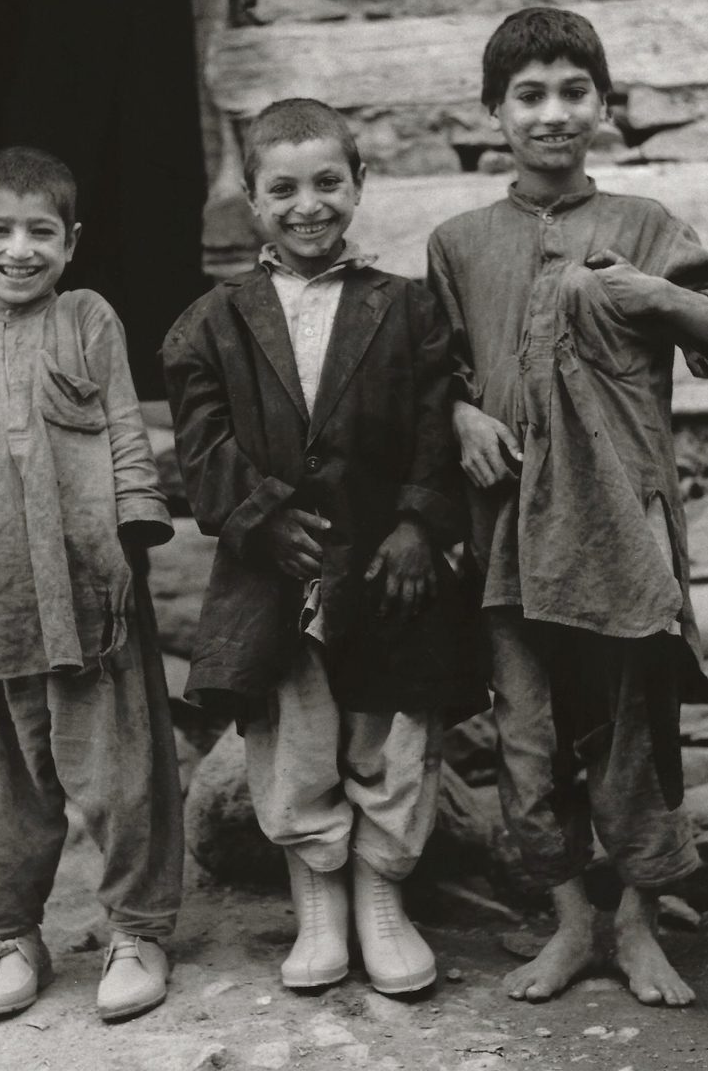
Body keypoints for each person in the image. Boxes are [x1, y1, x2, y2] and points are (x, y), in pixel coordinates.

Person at [163, 98, 486, 996]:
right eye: (284, 189)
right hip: (278, 571)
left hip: (389, 565)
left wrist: (422, 523)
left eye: (327, 183)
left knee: (390, 731)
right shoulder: (211, 324)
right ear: (252, 204)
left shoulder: (408, 309)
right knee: (294, 739)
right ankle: (319, 911)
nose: (308, 205)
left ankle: (384, 902)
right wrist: (261, 515)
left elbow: (433, 422)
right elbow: (200, 446)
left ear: (358, 185)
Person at [427, 6, 708, 1008]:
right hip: (508, 526)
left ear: (604, 104)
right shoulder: (458, 243)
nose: (553, 114)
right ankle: (571, 920)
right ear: (494, 112)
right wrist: (461, 411)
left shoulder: (646, 227)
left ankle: (637, 925)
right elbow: (439, 370)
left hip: (622, 520)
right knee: (528, 735)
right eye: (530, 95)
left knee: (634, 723)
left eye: (573, 91)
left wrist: (652, 295)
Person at [0, 147, 184, 1022]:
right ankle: (11, 936)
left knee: (120, 772)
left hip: (89, 590)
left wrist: (131, 537)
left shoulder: (88, 318)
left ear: (70, 243)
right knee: (4, 785)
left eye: (40, 233)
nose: (18, 250)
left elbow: (124, 430)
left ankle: (138, 930)